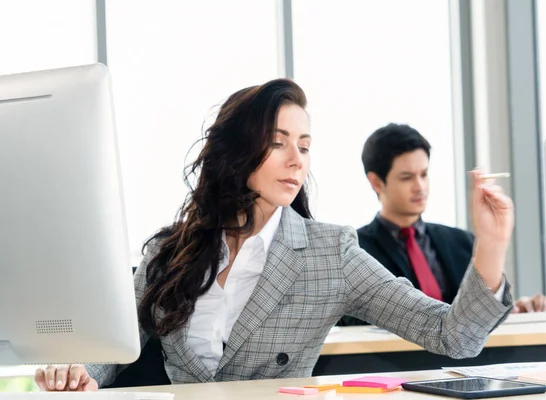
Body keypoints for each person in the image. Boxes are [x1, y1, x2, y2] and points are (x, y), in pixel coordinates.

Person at [35, 79, 514, 391]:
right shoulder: (169, 251)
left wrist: (490, 246)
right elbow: (116, 350)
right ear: (235, 150)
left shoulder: (331, 254)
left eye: (304, 146)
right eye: (278, 142)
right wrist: (80, 372)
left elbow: (453, 335)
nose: (296, 160)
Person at [339, 123, 546, 327]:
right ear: (376, 182)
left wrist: (513, 311)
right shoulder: (356, 251)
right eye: (407, 178)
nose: (420, 186)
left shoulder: (461, 242)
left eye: (424, 174)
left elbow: (479, 319)